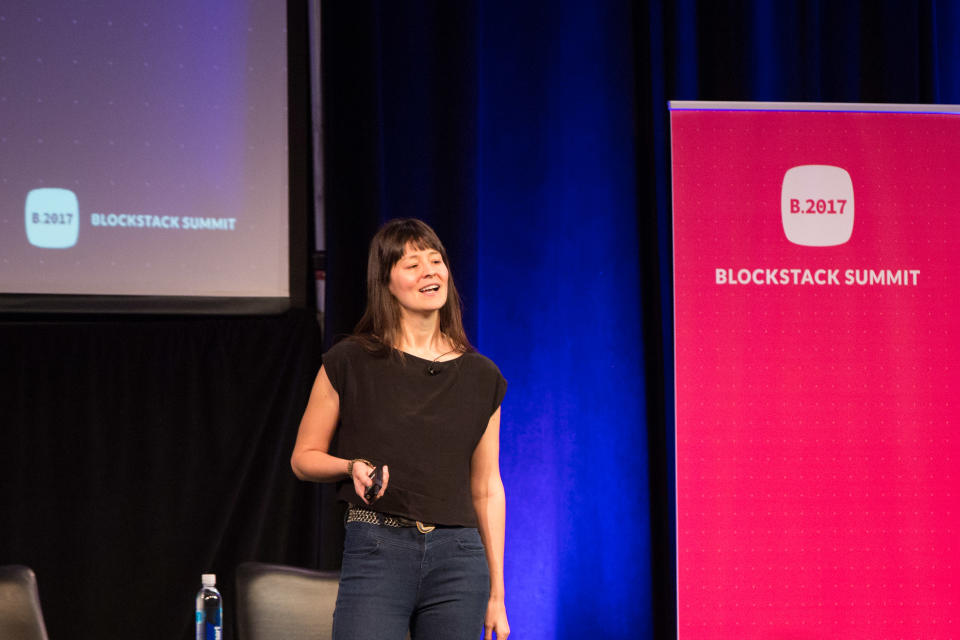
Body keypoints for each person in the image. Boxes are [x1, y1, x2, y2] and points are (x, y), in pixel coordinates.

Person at [291, 218, 510, 640]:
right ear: (386, 283)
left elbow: (487, 487)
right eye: (413, 264)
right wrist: (349, 465)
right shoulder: (350, 360)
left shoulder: (482, 376)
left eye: (436, 260)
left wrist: (497, 593)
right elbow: (303, 458)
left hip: (459, 559)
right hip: (378, 546)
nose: (431, 271)